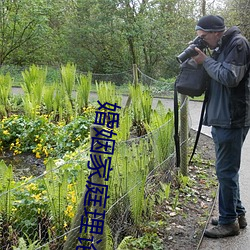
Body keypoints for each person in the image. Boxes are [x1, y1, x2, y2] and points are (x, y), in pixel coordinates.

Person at [192, 15, 250, 238]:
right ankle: (237, 214)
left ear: (216, 32)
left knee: (225, 171)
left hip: (232, 118)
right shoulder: (221, 46)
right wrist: (202, 60)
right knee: (227, 171)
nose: (203, 41)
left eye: (204, 37)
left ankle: (228, 223)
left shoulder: (238, 44)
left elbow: (229, 77)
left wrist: (205, 61)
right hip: (222, 117)